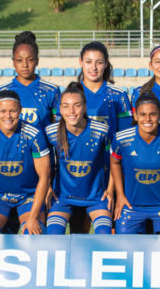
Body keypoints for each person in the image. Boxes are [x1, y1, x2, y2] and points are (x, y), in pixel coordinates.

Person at [0, 90, 51, 234]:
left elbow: (44, 177)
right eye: (2, 111)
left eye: (13, 111)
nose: (8, 116)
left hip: (28, 196)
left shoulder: (34, 135)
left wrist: (33, 217)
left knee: (33, 233)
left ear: (20, 110)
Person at [110, 91, 160, 235]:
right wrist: (120, 195)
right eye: (142, 114)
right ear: (135, 116)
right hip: (131, 206)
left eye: (152, 114)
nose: (148, 119)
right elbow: (115, 163)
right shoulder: (121, 139)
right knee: (124, 243)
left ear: (159, 115)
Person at [44, 83, 114, 235]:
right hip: (62, 197)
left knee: (105, 235)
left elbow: (115, 162)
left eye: (76, 105)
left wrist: (110, 189)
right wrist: (48, 187)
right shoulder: (51, 132)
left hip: (95, 197)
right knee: (53, 235)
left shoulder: (102, 130)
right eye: (66, 106)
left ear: (84, 107)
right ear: (60, 109)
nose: (71, 111)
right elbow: (44, 166)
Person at [0, 31, 60, 134]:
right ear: (13, 62)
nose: (25, 65)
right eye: (19, 60)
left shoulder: (51, 90)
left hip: (42, 149)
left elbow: (56, 127)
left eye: (30, 60)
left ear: (37, 61)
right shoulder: (1, 91)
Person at [77, 41, 132, 133]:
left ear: (106, 63)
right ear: (81, 62)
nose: (93, 67)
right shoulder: (71, 95)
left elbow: (125, 134)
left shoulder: (119, 95)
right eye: (88, 62)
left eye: (99, 62)